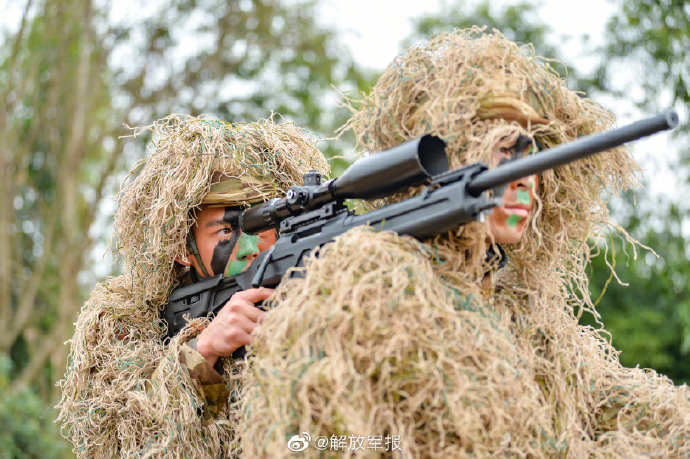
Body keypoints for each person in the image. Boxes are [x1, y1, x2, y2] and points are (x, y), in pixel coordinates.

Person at [235, 28, 690, 456]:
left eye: (532, 159)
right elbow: (305, 443)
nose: (525, 181)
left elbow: (613, 407)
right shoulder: (365, 292)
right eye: (501, 152)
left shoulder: (528, 318)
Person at [56, 114, 329, 456]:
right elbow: (126, 441)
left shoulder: (310, 287)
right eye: (227, 231)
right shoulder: (122, 321)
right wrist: (204, 351)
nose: (251, 247)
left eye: (262, 225)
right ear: (183, 250)